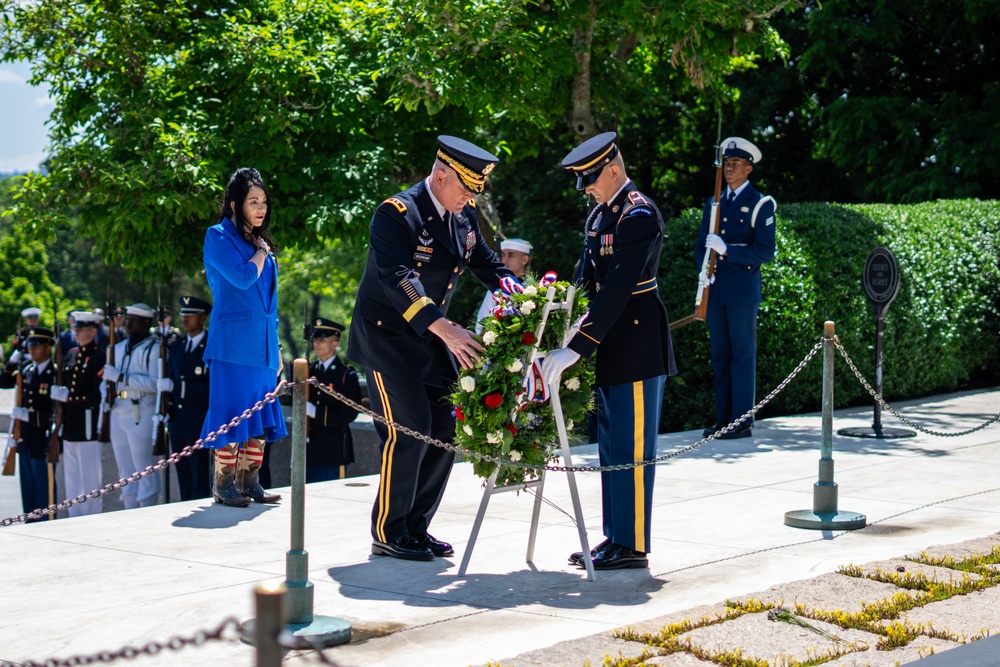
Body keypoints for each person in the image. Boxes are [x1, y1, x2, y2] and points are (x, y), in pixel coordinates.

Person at [348, 135, 517, 562]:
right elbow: (397, 278)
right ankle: (388, 529)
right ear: (441, 176)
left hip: (431, 338)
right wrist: (444, 328)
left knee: (443, 430)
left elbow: (486, 262)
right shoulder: (397, 213)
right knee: (409, 430)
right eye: (465, 188)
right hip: (388, 337)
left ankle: (415, 526)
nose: (469, 197)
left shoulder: (462, 217)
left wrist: (516, 290)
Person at [541, 132, 676, 570]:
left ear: (613, 170)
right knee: (611, 446)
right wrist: (560, 327)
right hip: (608, 343)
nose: (587, 189)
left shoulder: (638, 214)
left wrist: (578, 346)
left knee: (633, 447)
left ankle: (633, 543)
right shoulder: (601, 215)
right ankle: (614, 537)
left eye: (592, 179)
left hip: (636, 341)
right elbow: (586, 282)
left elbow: (618, 288)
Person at [201, 167, 287, 507]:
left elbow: (270, 304)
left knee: (258, 413)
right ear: (234, 204)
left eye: (264, 201)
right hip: (232, 344)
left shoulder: (257, 242)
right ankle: (223, 484)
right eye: (253, 201)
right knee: (232, 411)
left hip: (263, 346)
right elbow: (240, 278)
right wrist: (263, 253)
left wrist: (276, 347)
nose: (261, 208)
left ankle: (250, 481)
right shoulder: (218, 235)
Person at [695, 137, 776, 440]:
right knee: (720, 355)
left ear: (749, 168)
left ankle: (741, 421)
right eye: (727, 164)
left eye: (736, 164)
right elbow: (701, 245)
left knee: (742, 355)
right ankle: (722, 419)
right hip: (716, 289)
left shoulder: (760, 204)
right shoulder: (714, 202)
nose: (729, 169)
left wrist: (728, 251)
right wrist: (703, 273)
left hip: (742, 290)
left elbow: (765, 251)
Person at [104, 302, 162, 509]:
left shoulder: (154, 349)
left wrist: (122, 377)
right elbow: (106, 381)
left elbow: (155, 383)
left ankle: (147, 509)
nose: (128, 324)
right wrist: (106, 396)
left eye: (134, 320)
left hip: (141, 409)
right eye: (128, 319)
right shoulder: (117, 348)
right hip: (118, 408)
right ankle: (129, 510)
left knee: (144, 468)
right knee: (125, 471)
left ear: (147, 322)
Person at [50, 311, 106, 517]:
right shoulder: (71, 353)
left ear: (93, 331)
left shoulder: (98, 357)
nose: (77, 332)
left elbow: (95, 395)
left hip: (88, 423)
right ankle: (73, 515)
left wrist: (68, 397)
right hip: (70, 423)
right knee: (72, 476)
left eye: (81, 329)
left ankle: (90, 514)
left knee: (89, 476)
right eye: (75, 329)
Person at [1, 326, 57, 521]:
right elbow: (4, 381)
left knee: (44, 496)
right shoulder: (27, 370)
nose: (31, 349)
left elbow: (53, 413)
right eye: (29, 345)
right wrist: (13, 359)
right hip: (25, 441)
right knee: (29, 498)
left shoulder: (54, 373)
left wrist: (28, 417)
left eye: (36, 345)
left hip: (42, 442)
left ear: (48, 347)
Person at [162, 296, 213, 501]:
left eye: (190, 315)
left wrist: (178, 387)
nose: (184, 319)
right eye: (183, 314)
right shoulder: (177, 346)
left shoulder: (210, 346)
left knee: (199, 475)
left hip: (199, 420)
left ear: (202, 317)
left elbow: (209, 386)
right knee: (183, 475)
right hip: (178, 421)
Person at [306, 318, 362, 483]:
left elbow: (350, 412)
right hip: (310, 445)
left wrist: (316, 413)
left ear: (334, 343)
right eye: (315, 339)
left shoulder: (346, 375)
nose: (317, 343)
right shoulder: (309, 370)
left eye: (322, 339)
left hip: (333, 447)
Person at [474, 238, 532, 332]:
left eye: (511, 256)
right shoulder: (497, 287)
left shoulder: (533, 288)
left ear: (524, 260)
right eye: (503, 255)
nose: (504, 261)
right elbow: (482, 321)